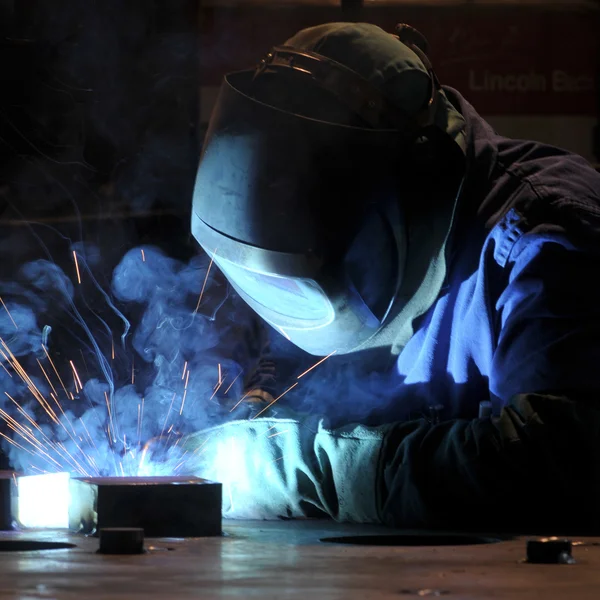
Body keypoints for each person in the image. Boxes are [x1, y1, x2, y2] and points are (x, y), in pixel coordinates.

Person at [189, 22, 600, 533]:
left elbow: (550, 462)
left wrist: (285, 470)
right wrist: (253, 417)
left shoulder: (549, 238)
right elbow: (298, 362)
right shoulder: (317, 236)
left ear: (414, 187)